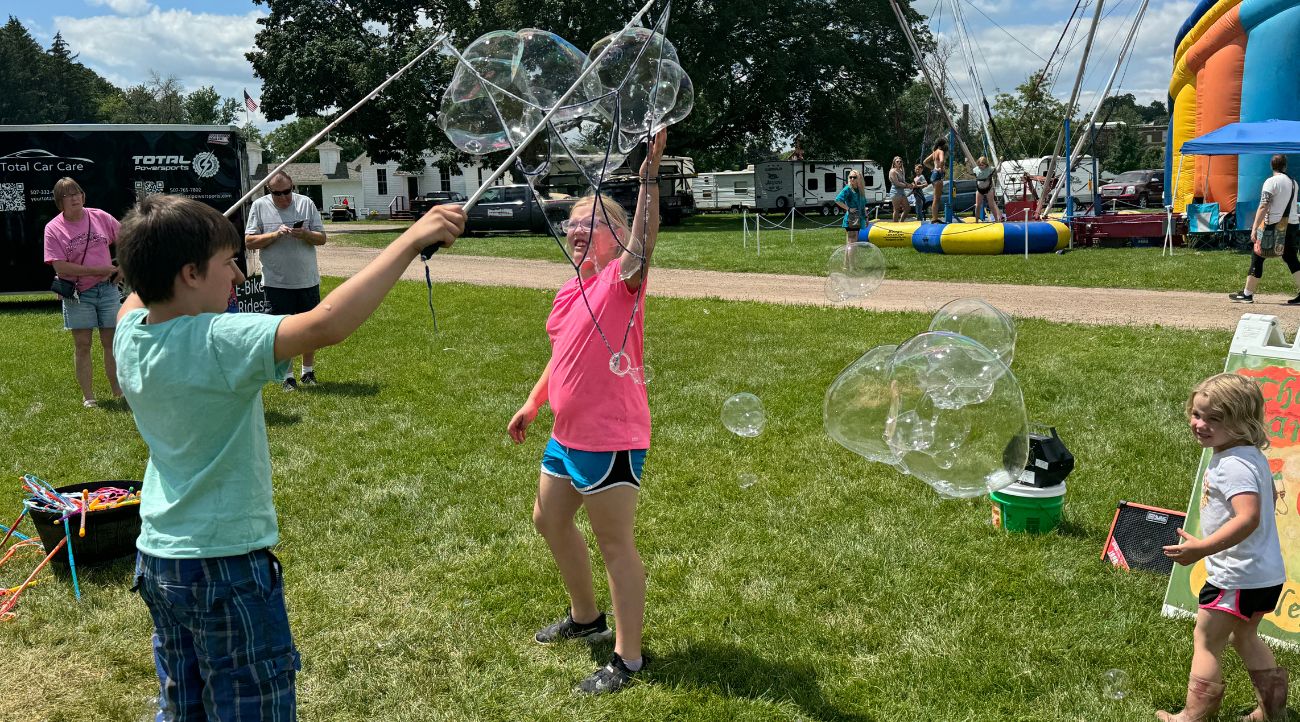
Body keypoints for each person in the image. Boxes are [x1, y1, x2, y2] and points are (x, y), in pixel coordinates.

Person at [113, 194, 464, 721]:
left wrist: (165, 238)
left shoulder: (131, 336)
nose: (237, 275)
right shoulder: (218, 339)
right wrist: (412, 239)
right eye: (227, 263)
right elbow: (325, 324)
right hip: (224, 566)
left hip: (160, 559)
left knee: (184, 706)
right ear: (189, 273)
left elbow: (135, 297)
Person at [507, 130, 666, 695]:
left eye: (588, 222)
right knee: (548, 520)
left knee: (615, 543)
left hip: (609, 436)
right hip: (566, 434)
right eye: (571, 222)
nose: (575, 229)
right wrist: (534, 401)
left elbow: (645, 244)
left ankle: (627, 658)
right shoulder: (571, 287)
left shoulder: (623, 284)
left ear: (616, 236)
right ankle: (585, 617)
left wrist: (649, 174)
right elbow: (562, 354)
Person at [1160, 373, 1288, 722]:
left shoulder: (1231, 465)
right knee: (1245, 636)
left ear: (1241, 422)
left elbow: (1246, 518)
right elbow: (1270, 496)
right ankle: (1272, 711)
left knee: (1206, 640)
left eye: (1214, 418)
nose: (1199, 424)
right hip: (1265, 574)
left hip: (1236, 576)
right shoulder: (1251, 455)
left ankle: (1194, 714)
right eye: (1197, 414)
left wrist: (1201, 548)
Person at [42, 177, 124, 408]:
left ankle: (118, 391)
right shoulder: (53, 228)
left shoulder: (100, 216)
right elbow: (60, 267)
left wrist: (124, 267)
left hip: (107, 290)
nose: (75, 198)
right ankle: (89, 397)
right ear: (60, 202)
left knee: (112, 342)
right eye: (68, 195)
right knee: (83, 344)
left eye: (77, 193)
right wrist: (99, 269)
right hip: (78, 293)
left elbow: (128, 239)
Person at [244, 171, 328, 390]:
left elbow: (322, 238)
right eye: (278, 193)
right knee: (281, 332)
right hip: (276, 282)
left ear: (293, 187)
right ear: (269, 191)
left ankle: (307, 373)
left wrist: (305, 234)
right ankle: (287, 376)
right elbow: (250, 241)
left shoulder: (306, 204)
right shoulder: (259, 206)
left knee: (310, 329)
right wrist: (275, 234)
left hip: (307, 280)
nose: (284, 198)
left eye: (287, 191)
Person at [1229, 154, 1300, 305]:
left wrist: (1254, 227)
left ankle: (1247, 294)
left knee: (1258, 255)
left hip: (1274, 225)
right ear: (1285, 166)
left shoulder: (1271, 182)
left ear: (1271, 166)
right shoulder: (1294, 183)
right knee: (1291, 258)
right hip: (1292, 224)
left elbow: (1263, 205)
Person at [835, 170, 869, 243]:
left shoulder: (860, 190)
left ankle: (850, 255)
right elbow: (837, 200)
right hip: (851, 219)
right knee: (852, 241)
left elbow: (863, 205)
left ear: (859, 178)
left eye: (854, 177)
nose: (852, 179)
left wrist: (866, 217)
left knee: (854, 240)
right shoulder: (848, 189)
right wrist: (848, 209)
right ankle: (850, 255)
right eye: (850, 177)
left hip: (858, 219)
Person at [923, 138, 948, 223]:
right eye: (945, 144)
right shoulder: (940, 152)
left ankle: (935, 217)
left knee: (936, 198)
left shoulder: (934, 152)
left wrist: (933, 168)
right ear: (942, 145)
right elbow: (941, 160)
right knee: (936, 199)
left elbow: (925, 162)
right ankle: (934, 218)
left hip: (934, 175)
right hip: (937, 176)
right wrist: (940, 168)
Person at [973, 156, 1003, 222]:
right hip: (979, 189)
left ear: (986, 164)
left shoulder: (990, 169)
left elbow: (998, 170)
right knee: (978, 205)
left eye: (982, 165)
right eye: (979, 165)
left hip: (989, 189)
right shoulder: (976, 169)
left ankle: (996, 220)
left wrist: (1000, 162)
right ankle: (976, 221)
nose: (981, 166)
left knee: (991, 205)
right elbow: (970, 171)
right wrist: (966, 163)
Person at [888, 157, 911, 222]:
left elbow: (903, 181)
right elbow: (896, 183)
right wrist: (906, 186)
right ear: (894, 163)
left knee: (907, 208)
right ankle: (895, 225)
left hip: (902, 192)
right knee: (896, 209)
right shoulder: (892, 171)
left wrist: (909, 185)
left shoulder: (901, 171)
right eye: (897, 161)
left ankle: (901, 222)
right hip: (895, 192)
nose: (899, 163)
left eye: (900, 161)